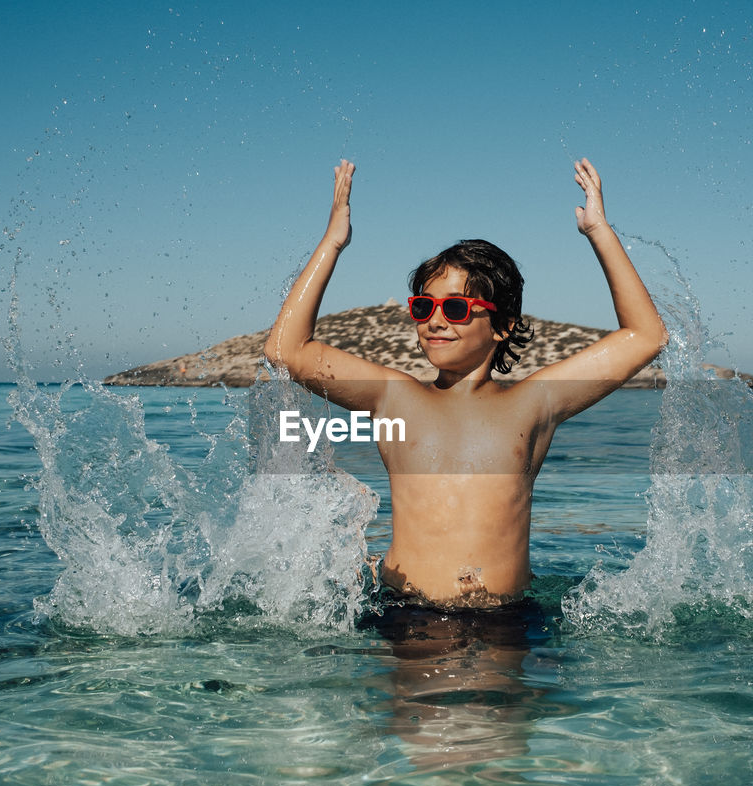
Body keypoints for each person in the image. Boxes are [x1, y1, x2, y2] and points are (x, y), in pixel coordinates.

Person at [264, 158, 667, 608]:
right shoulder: (394, 398)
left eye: (456, 309)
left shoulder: (534, 403)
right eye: (423, 308)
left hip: (504, 620)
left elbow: (645, 337)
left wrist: (599, 232)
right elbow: (287, 351)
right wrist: (333, 242)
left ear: (501, 326)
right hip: (409, 616)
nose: (436, 321)